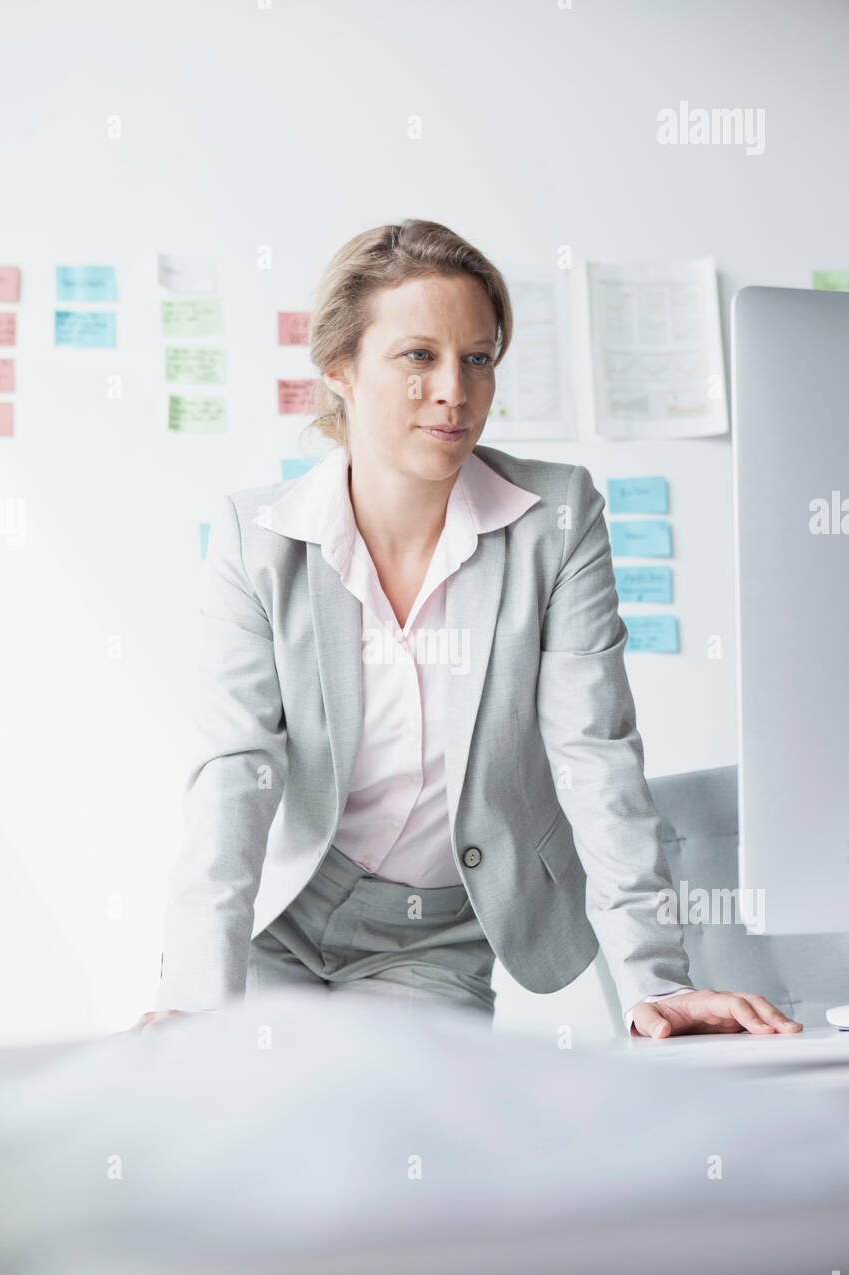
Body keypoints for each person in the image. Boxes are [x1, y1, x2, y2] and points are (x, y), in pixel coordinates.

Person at [136, 218, 801, 1042]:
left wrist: (654, 979)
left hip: (433, 937)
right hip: (282, 911)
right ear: (341, 369)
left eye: (477, 358)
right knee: (249, 1139)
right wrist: (198, 999)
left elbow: (593, 753)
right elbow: (235, 770)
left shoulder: (555, 519)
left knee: (400, 1148)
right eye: (418, 356)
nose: (455, 389)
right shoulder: (259, 537)